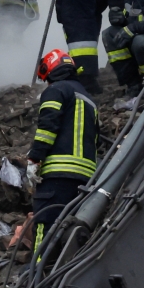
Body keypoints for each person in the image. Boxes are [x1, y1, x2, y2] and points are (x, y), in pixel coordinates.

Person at [27, 49, 97, 255]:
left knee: (44, 223)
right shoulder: (88, 99)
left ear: (50, 71)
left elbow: (47, 127)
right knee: (70, 227)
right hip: (86, 176)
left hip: (58, 173)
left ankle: (35, 275)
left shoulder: (56, 90)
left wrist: (34, 159)